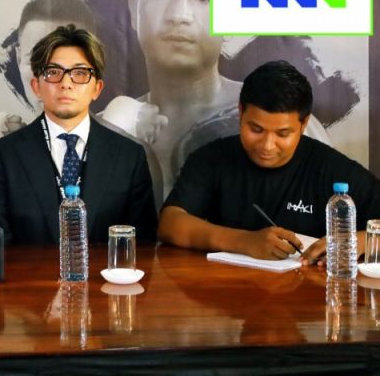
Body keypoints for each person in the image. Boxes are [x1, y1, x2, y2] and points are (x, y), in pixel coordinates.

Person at [104, 0, 329, 199]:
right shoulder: (106, 127)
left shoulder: (283, 123)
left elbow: (331, 217)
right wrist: (108, 137)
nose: (179, 15)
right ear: (133, 10)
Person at [158, 60, 380, 263]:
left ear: (303, 124)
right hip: (225, 288)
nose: (267, 145)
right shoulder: (212, 158)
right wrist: (244, 242)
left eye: (283, 134)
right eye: (256, 129)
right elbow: (170, 223)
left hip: (308, 290)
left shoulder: (331, 168)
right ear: (241, 112)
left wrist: (360, 241)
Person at [0, 24, 158, 245]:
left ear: (97, 88)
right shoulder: (3, 156)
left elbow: (141, 245)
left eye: (80, 73)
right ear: (36, 86)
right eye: (53, 72)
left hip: (104, 269)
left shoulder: (129, 157)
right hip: (27, 269)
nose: (66, 83)